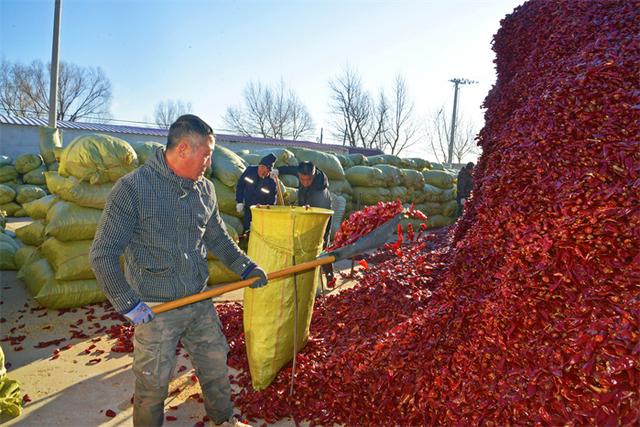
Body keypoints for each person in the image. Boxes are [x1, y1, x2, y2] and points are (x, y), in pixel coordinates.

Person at [89, 114, 268, 427]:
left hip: (198, 300)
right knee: (152, 385)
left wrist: (247, 267)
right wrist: (129, 304)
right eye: (207, 154)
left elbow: (218, 238)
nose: (209, 162)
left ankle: (224, 420)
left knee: (215, 365)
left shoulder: (205, 190)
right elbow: (102, 254)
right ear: (184, 149)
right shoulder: (133, 189)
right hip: (157, 308)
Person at [277, 161, 334, 283]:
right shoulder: (300, 171)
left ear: (313, 176)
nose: (305, 182)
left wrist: (310, 209)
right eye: (302, 179)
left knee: (322, 243)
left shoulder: (319, 186)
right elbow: (291, 169)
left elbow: (321, 209)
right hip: (304, 208)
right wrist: (278, 170)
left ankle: (328, 275)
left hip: (321, 213)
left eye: (308, 180)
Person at [235, 154, 278, 232]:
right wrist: (239, 201)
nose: (261, 171)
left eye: (265, 170)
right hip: (248, 207)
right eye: (260, 167)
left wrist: (263, 207)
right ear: (258, 165)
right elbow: (240, 185)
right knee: (248, 229)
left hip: (261, 212)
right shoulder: (250, 171)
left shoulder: (271, 183)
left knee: (259, 232)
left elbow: (271, 201)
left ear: (269, 171)